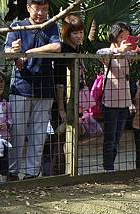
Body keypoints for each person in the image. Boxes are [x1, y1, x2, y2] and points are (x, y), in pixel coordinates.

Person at [4, 0, 61, 180]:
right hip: (20, 88)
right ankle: (12, 173)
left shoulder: (51, 26)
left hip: (45, 89)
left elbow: (57, 47)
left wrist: (30, 52)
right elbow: (7, 52)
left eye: (45, 9)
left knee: (39, 135)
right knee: (17, 133)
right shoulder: (18, 26)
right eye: (38, 9)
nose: (41, 14)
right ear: (29, 8)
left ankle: (31, 174)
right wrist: (14, 51)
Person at [97, 22, 140, 171]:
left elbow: (139, 55)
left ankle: (111, 166)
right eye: (122, 37)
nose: (125, 40)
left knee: (117, 138)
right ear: (115, 37)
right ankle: (108, 167)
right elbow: (100, 53)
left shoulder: (127, 55)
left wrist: (137, 50)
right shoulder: (109, 53)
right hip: (110, 102)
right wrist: (119, 51)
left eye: (127, 37)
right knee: (110, 138)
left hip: (125, 102)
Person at [51, 14, 85, 174]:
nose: (79, 36)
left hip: (73, 101)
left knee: (69, 137)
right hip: (62, 102)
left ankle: (68, 172)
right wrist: (61, 109)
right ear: (67, 33)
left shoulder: (77, 49)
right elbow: (59, 83)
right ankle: (57, 174)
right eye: (75, 33)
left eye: (81, 32)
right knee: (59, 139)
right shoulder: (64, 51)